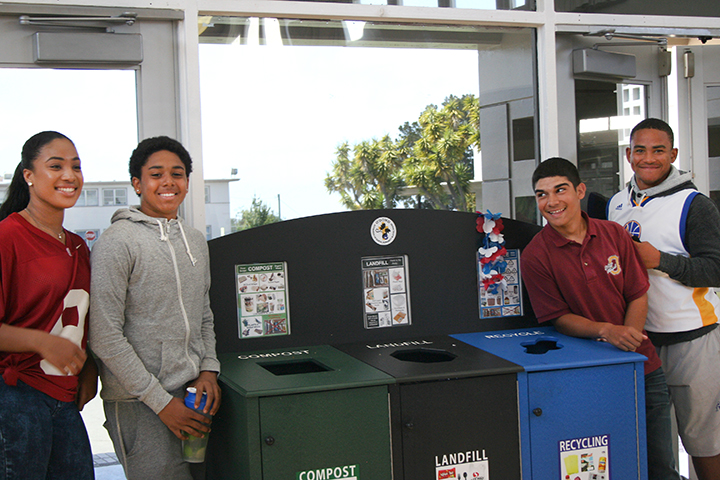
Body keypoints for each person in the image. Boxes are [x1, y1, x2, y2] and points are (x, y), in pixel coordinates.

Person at [521, 157, 681, 480]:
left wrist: (630, 346)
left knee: (661, 467)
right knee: (609, 468)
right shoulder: (534, 256)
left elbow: (638, 292)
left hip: (644, 370)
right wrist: (608, 332)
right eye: (541, 194)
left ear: (580, 191)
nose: (551, 202)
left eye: (559, 190)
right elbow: (558, 318)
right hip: (586, 377)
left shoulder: (614, 234)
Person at [88, 136, 221, 479]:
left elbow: (203, 313)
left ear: (187, 183)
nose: (168, 182)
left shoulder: (194, 241)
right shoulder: (116, 243)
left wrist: (208, 370)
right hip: (139, 402)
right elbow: (104, 336)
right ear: (137, 183)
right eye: (156, 174)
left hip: (193, 395)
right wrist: (162, 404)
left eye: (177, 174)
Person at [608, 118, 720, 480]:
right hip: (641, 342)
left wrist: (660, 261)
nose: (649, 158)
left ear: (672, 154)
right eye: (640, 150)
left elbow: (717, 268)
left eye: (658, 151)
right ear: (629, 155)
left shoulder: (694, 204)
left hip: (693, 338)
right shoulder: (616, 205)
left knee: (704, 442)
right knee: (651, 445)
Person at [0, 131, 96, 480]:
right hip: (17, 396)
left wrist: (89, 367)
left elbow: (78, 317)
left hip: (65, 398)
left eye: (76, 167)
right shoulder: (7, 237)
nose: (69, 176)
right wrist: (41, 342)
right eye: (55, 166)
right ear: (29, 175)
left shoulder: (77, 246)